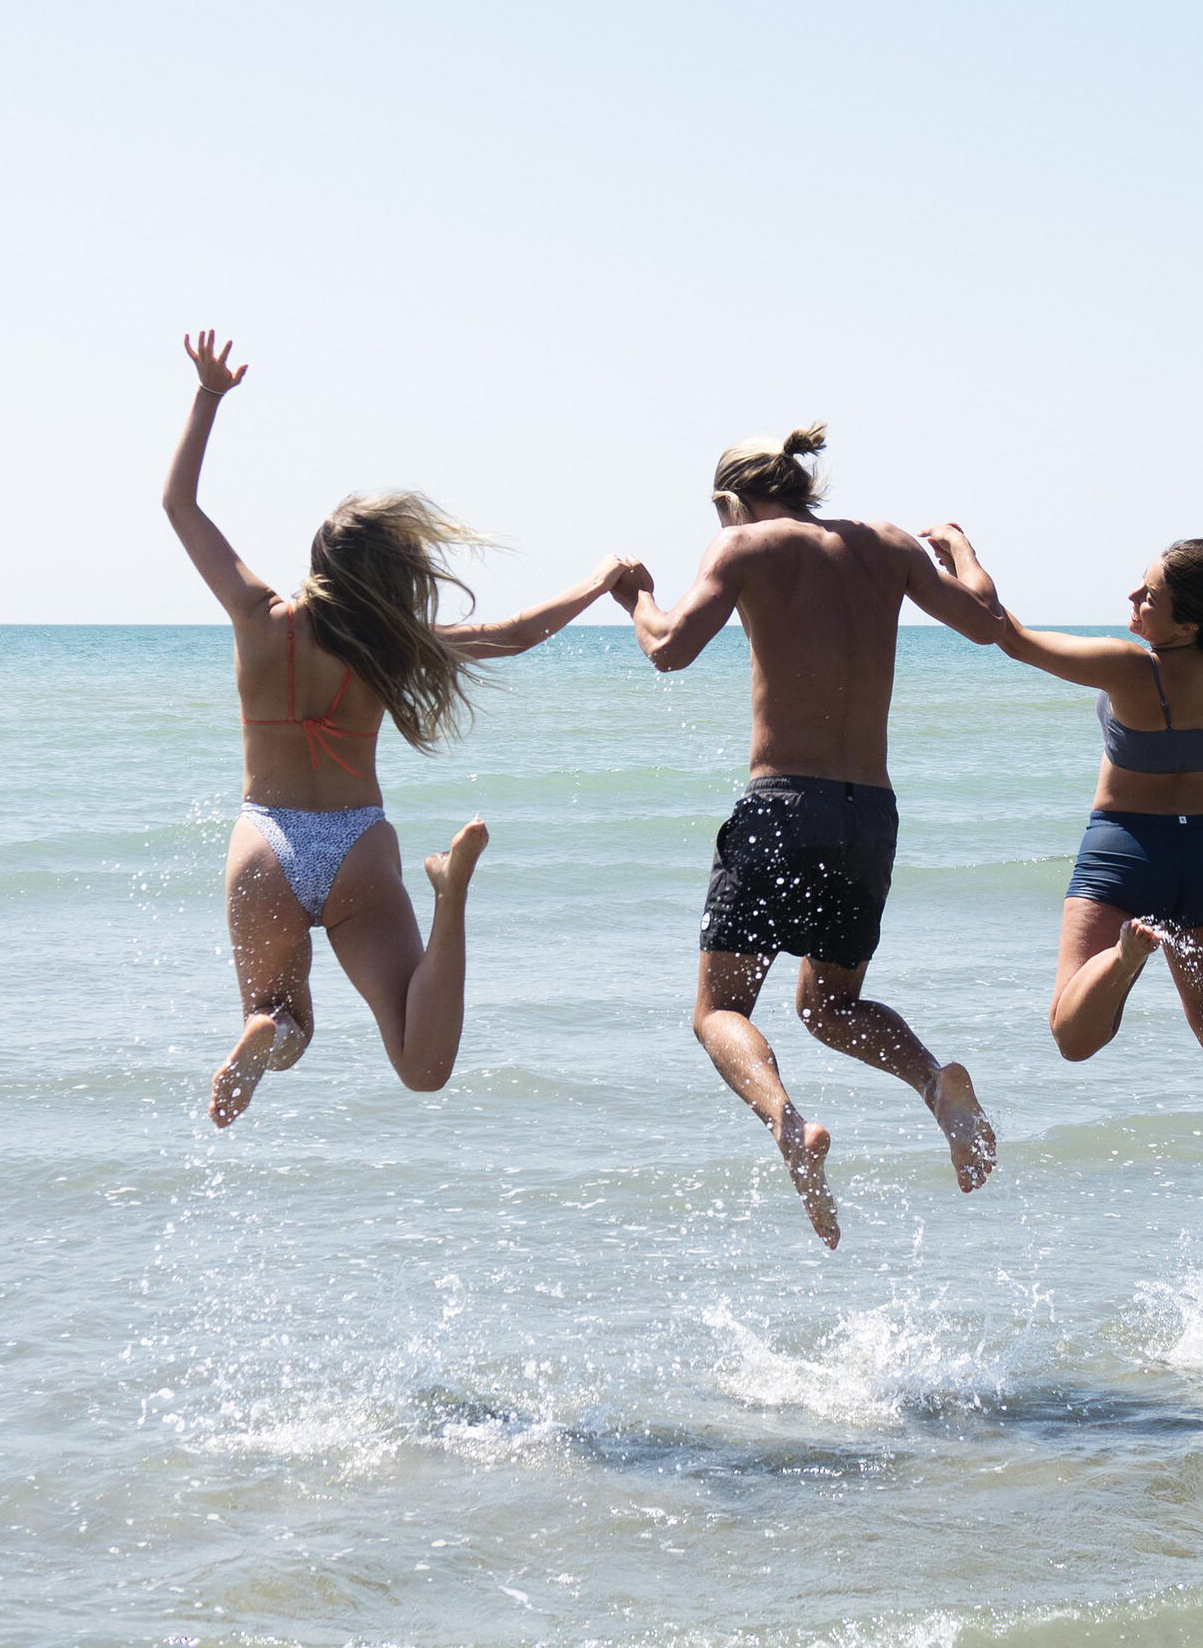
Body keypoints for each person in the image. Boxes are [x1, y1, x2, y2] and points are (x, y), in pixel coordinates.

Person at [164, 330, 635, 1126]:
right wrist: (598, 579)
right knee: (421, 1065)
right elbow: (516, 632)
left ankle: (262, 1033)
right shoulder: (393, 649)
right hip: (357, 844)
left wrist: (209, 396)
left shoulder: (258, 616)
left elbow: (179, 505)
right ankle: (449, 895)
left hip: (264, 841)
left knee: (293, 1025)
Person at [611, 424, 1006, 1248]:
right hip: (868, 813)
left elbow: (668, 649)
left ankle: (789, 1124)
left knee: (719, 1008)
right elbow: (983, 619)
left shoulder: (744, 545)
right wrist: (961, 546)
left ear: (730, 499)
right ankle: (935, 1086)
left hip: (783, 804)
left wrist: (636, 599)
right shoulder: (891, 545)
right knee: (831, 1005)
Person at [920, 518, 1203, 1061]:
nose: (1133, 596)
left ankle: (1125, 958)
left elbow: (1006, 635)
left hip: (1125, 849)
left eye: (1151, 595)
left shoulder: (1133, 668)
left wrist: (963, 555)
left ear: (1190, 626)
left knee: (1074, 1035)